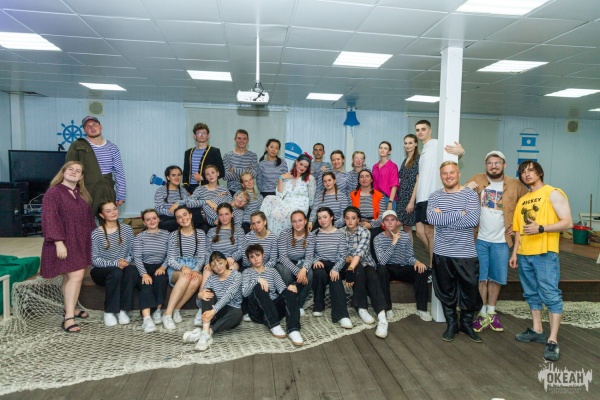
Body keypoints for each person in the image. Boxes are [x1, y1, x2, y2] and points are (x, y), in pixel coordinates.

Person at [510, 160, 572, 362]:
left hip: (545, 253)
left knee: (550, 294)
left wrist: (542, 228)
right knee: (531, 294)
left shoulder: (552, 193)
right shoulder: (523, 199)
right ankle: (537, 330)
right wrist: (514, 253)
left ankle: (552, 340)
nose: (527, 174)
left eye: (531, 170)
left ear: (539, 173)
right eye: (523, 172)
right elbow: (518, 230)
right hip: (524, 253)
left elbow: (567, 222)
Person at [465, 151, 528, 333]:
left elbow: (527, 205)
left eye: (497, 163)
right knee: (481, 277)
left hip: (502, 241)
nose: (494, 166)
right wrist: (467, 187)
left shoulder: (515, 185)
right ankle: (482, 312)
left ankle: (491, 311)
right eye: (490, 163)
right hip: (479, 239)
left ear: (504, 165)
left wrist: (517, 225)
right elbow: (461, 194)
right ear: (486, 165)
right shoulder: (477, 179)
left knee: (496, 278)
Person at [427, 161, 481, 343]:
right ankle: (452, 324)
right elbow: (432, 219)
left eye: (451, 172)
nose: (448, 176)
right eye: (444, 173)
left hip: (466, 253)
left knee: (470, 290)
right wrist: (460, 213)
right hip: (442, 252)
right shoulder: (435, 196)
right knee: (445, 290)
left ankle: (466, 324)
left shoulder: (470, 195)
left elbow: (472, 221)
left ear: (459, 174)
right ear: (440, 176)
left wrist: (444, 217)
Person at [40, 161, 96, 333]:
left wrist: (95, 239)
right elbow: (50, 218)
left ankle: (69, 308)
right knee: (77, 276)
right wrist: (58, 242)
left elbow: (89, 221)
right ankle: (69, 318)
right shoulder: (54, 192)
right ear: (63, 172)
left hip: (80, 242)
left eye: (78, 171)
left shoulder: (81, 194)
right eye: (70, 169)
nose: (73, 172)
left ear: (81, 176)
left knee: (69, 276)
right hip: (63, 243)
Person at [414, 120, 464, 268]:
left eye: (423, 129)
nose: (420, 132)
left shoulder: (435, 143)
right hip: (421, 197)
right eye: (417, 130)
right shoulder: (423, 150)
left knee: (430, 232)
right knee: (419, 233)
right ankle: (436, 259)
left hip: (431, 196)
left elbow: (453, 156)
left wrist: (461, 152)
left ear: (429, 131)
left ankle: (432, 266)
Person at [340, 206, 389, 339]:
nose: (350, 221)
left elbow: (359, 253)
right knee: (358, 270)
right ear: (344, 219)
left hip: (365, 262)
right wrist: (350, 264)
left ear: (358, 220)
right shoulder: (340, 232)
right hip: (349, 265)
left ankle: (382, 317)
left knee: (373, 276)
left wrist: (351, 264)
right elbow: (340, 254)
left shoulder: (365, 232)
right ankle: (362, 308)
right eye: (347, 218)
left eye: (353, 218)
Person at [374, 210, 432, 322]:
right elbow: (382, 261)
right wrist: (393, 242)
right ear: (383, 223)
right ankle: (387, 308)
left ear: (397, 222)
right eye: (387, 220)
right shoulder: (378, 239)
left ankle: (422, 309)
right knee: (381, 269)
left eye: (392, 220)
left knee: (421, 270)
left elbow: (409, 257)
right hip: (387, 268)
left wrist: (417, 262)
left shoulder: (405, 237)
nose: (390, 223)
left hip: (402, 267)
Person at [242, 244, 304, 346]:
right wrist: (258, 280)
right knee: (259, 286)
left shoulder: (272, 271)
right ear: (249, 260)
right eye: (252, 257)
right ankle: (274, 325)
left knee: (290, 291)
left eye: (258, 255)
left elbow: (282, 290)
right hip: (258, 312)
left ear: (263, 255)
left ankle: (293, 329)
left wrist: (291, 288)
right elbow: (245, 293)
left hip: (274, 309)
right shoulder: (247, 272)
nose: (256, 259)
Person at [182, 251, 243, 351]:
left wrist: (213, 311)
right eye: (214, 265)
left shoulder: (237, 275)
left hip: (229, 311)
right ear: (211, 268)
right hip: (214, 313)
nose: (218, 267)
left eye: (220, 263)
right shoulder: (211, 279)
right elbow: (200, 303)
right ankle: (206, 333)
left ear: (226, 262)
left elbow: (229, 295)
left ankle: (205, 333)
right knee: (207, 292)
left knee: (238, 313)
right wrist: (199, 295)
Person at [66, 116, 126, 214]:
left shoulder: (112, 147)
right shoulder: (78, 146)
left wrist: (121, 194)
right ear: (84, 130)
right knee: (84, 219)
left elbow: (119, 172)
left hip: (107, 189)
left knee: (108, 220)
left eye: (94, 124)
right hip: (85, 190)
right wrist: (70, 193)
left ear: (100, 127)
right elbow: (69, 171)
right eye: (88, 126)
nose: (92, 128)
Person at [91, 201, 137, 327]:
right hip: (101, 271)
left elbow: (132, 250)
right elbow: (95, 259)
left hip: (122, 267)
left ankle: (123, 310)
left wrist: (126, 261)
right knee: (115, 272)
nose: (113, 212)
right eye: (108, 211)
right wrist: (116, 263)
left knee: (132, 271)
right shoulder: (96, 233)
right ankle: (109, 311)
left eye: (114, 209)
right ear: (102, 215)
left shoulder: (127, 229)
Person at [162, 206, 207, 330]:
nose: (183, 219)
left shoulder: (200, 234)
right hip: (177, 268)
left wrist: (196, 270)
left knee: (196, 279)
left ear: (190, 215)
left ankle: (177, 309)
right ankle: (167, 314)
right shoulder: (173, 235)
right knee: (185, 276)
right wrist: (183, 268)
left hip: (194, 266)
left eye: (185, 215)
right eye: (179, 217)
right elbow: (170, 259)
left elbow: (201, 257)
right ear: (177, 221)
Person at [311, 207, 353, 329]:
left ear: (331, 217)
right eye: (319, 218)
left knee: (336, 277)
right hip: (320, 263)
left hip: (335, 263)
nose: (322, 220)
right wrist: (315, 260)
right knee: (319, 273)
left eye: (325, 217)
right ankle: (318, 305)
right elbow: (309, 254)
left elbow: (342, 256)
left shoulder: (340, 234)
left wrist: (336, 269)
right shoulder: (314, 234)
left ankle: (342, 316)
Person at [260, 153, 316, 237]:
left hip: (299, 206)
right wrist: (280, 179)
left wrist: (311, 218)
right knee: (268, 198)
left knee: (279, 215)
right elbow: (279, 195)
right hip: (285, 203)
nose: (302, 168)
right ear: (296, 162)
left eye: (305, 167)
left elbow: (311, 200)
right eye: (301, 164)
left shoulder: (310, 179)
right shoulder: (287, 176)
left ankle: (278, 237)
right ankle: (262, 226)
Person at [133, 209, 170, 333]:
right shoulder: (140, 237)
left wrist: (163, 267)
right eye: (148, 220)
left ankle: (158, 311)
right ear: (144, 223)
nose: (152, 221)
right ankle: (147, 318)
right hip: (144, 266)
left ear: (158, 219)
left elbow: (170, 255)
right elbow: (137, 257)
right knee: (146, 284)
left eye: (154, 218)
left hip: (160, 266)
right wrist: (144, 274)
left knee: (161, 279)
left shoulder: (167, 234)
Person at [200, 203, 245, 294]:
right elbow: (207, 250)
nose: (224, 217)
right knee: (207, 271)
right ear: (218, 216)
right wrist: (208, 262)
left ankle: (224, 299)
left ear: (232, 214)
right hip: (214, 261)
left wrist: (232, 257)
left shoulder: (239, 231)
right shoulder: (212, 231)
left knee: (230, 268)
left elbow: (242, 249)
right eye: (221, 215)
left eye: (226, 214)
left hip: (230, 261)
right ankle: (202, 299)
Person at [276, 210, 315, 316]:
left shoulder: (310, 236)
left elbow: (309, 257)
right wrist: (298, 272)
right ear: (291, 223)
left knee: (309, 273)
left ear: (306, 221)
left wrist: (304, 270)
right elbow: (282, 257)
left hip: (300, 262)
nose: (297, 224)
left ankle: (299, 304)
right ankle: (290, 302)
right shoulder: (285, 234)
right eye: (294, 221)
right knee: (286, 272)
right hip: (284, 263)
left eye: (300, 220)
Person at [175, 164, 231, 230]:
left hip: (220, 219)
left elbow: (232, 206)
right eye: (207, 174)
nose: (210, 176)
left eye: (213, 172)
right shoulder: (200, 189)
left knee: (223, 197)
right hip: (202, 219)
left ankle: (219, 219)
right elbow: (189, 203)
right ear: (205, 177)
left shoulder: (224, 190)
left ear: (217, 173)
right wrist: (207, 201)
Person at [154, 165, 202, 232]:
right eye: (173, 175)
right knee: (175, 223)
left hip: (182, 218)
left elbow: (188, 203)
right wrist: (173, 212)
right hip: (167, 219)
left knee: (197, 213)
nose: (177, 177)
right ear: (168, 177)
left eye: (179, 175)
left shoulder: (183, 190)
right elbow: (158, 209)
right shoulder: (161, 191)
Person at [183, 122, 225, 193]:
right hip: (191, 188)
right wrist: (186, 188)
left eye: (204, 133)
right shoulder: (188, 152)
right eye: (199, 133)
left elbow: (221, 172)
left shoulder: (214, 151)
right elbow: (186, 172)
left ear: (208, 136)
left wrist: (202, 177)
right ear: (195, 136)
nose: (202, 135)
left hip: (209, 187)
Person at [396, 134, 420, 237]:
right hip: (401, 197)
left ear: (416, 144)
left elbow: (418, 181)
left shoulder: (418, 159)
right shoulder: (405, 160)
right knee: (406, 228)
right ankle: (408, 248)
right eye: (405, 143)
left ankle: (409, 249)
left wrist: (411, 201)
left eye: (410, 143)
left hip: (410, 197)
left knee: (404, 226)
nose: (407, 145)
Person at [223, 129, 258, 196]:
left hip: (248, 192)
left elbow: (254, 174)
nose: (241, 141)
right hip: (231, 192)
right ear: (235, 139)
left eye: (244, 138)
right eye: (239, 138)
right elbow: (225, 176)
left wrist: (234, 170)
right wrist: (247, 173)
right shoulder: (227, 156)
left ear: (247, 140)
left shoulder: (253, 156)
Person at [372, 141, 399, 211]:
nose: (382, 150)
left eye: (385, 148)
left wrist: (390, 201)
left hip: (388, 198)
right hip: (376, 198)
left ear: (389, 152)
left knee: (389, 218)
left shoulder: (393, 166)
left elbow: (394, 185)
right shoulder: (375, 166)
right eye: (381, 148)